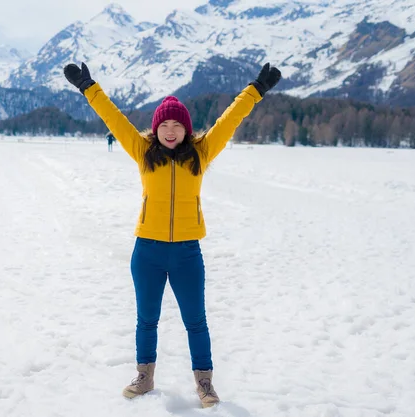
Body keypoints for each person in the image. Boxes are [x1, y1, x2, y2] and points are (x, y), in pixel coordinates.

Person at [64, 61, 281, 408]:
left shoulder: (201, 153)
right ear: (155, 128)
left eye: (176, 125)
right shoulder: (142, 152)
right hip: (147, 252)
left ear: (186, 129)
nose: (169, 130)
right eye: (163, 124)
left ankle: (205, 383)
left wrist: (256, 89)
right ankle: (145, 376)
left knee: (196, 321)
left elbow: (230, 119)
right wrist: (88, 86)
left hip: (186, 253)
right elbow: (113, 118)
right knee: (146, 319)